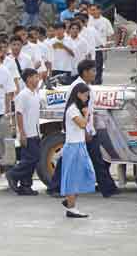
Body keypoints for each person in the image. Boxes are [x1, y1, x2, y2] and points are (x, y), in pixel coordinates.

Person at [47, 59, 119, 198]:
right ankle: (107, 188)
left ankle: (106, 187)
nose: (95, 73)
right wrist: (86, 131)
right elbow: (77, 110)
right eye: (93, 70)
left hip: (86, 128)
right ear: (85, 72)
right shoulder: (78, 88)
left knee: (91, 159)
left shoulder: (83, 86)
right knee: (89, 159)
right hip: (81, 130)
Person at [60, 82, 96, 218]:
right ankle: (71, 207)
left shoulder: (77, 108)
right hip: (73, 146)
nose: (87, 98)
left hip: (79, 145)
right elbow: (81, 124)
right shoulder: (72, 109)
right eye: (85, 96)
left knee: (84, 173)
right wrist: (86, 115)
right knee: (72, 177)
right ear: (78, 94)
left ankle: (70, 200)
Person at [6, 68, 41, 196]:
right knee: (33, 158)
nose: (37, 79)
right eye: (35, 77)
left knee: (30, 159)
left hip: (36, 131)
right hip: (27, 132)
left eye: (37, 77)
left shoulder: (35, 93)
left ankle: (26, 185)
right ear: (28, 79)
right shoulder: (23, 95)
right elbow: (19, 114)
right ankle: (13, 174)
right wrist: (22, 133)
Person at [88, 4, 113, 84]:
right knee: (90, 66)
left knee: (99, 66)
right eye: (91, 10)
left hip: (101, 47)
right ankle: (91, 81)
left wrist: (108, 46)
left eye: (94, 9)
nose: (92, 12)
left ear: (99, 10)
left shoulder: (105, 21)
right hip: (90, 47)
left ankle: (97, 82)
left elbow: (110, 34)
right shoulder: (88, 20)